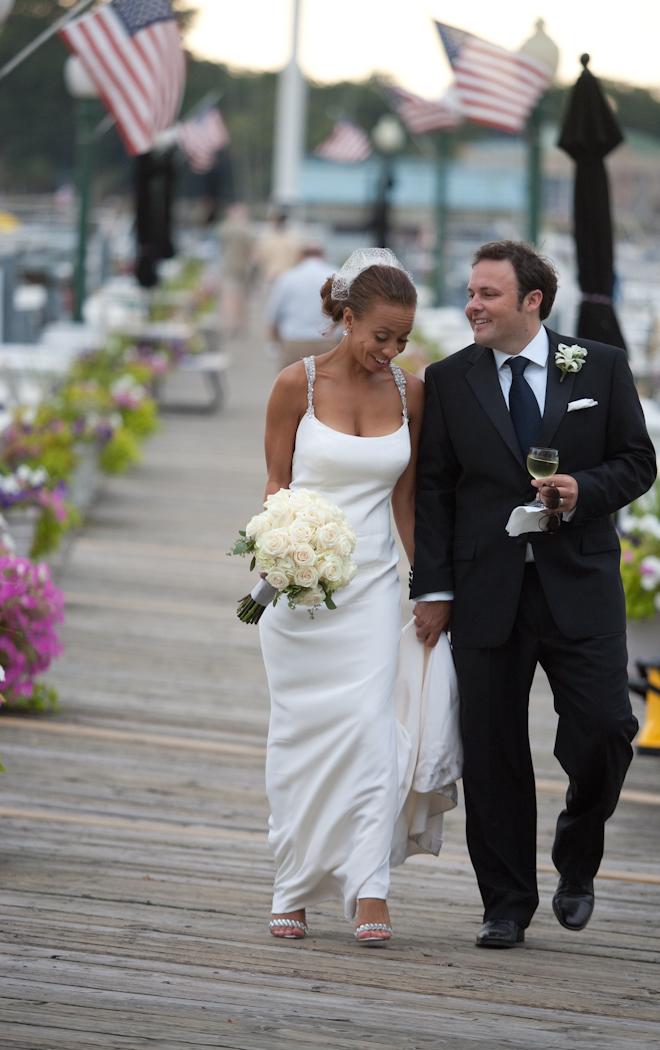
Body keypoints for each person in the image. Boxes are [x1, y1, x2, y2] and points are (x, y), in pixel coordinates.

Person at [412, 240, 656, 948]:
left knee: (607, 729)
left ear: (532, 302)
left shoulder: (599, 365)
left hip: (579, 583)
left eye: (489, 294)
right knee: (491, 752)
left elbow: (637, 462)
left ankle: (577, 856)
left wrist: (585, 491)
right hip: (485, 587)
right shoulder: (448, 379)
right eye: (470, 292)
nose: (472, 305)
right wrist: (432, 587)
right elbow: (434, 490)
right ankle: (507, 904)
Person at [258, 249, 436, 944]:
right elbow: (275, 490)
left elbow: (409, 503)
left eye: (402, 339)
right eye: (380, 336)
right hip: (300, 598)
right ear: (346, 317)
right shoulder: (292, 387)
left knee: (371, 736)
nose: (389, 351)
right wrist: (280, 562)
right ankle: (293, 884)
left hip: (371, 596)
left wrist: (429, 591)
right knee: (299, 741)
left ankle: (370, 888)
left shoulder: (410, 393)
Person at [266, 245, 337, 370]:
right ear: (323, 256)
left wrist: (274, 343)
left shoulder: (287, 277)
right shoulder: (336, 275)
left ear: (301, 256)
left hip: (294, 341)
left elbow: (274, 315)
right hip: (328, 342)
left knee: (291, 386)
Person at [219, 203, 255, 335]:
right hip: (244, 267)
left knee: (229, 296)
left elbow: (221, 245)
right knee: (243, 298)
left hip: (229, 266)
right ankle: (242, 324)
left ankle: (230, 325)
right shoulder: (247, 228)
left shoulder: (225, 227)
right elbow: (252, 248)